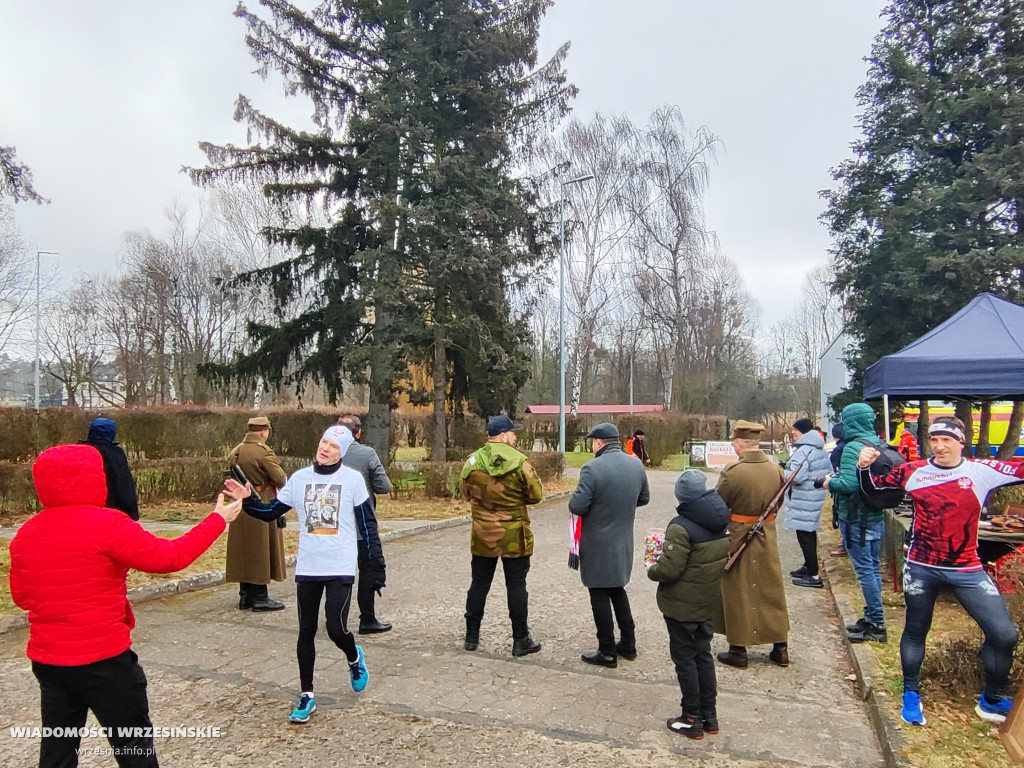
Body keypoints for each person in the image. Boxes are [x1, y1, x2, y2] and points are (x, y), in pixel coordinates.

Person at [9, 443, 242, 768]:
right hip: (106, 661)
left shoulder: (26, 533)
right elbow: (169, 557)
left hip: (50, 664)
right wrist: (218, 519)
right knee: (133, 747)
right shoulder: (108, 525)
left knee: (58, 750)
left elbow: (21, 596)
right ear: (95, 478)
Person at [858, 416, 1023, 727]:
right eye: (934, 440)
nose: (939, 446)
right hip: (922, 567)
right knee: (916, 630)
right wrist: (863, 467)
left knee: (1004, 634)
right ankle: (911, 694)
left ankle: (991, 699)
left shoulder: (981, 470)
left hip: (967, 568)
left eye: (947, 440)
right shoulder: (913, 470)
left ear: (961, 442)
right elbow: (872, 492)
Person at [224, 425, 382, 723]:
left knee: (336, 628)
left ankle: (354, 657)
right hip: (309, 566)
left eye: (333, 446)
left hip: (340, 566)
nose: (325, 449)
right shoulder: (299, 479)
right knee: (306, 631)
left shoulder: (352, 481)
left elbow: (367, 525)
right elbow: (269, 513)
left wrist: (374, 566)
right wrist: (247, 500)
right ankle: (307, 694)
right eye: (323, 442)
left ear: (343, 452)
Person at [647, 469, 730, 740]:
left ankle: (691, 718)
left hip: (682, 605)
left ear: (681, 496)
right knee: (703, 655)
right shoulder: (720, 519)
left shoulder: (681, 526)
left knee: (685, 660)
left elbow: (670, 570)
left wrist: (652, 568)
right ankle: (710, 715)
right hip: (707, 601)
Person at [460, 414, 544, 656]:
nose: (516, 436)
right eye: (513, 432)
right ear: (503, 435)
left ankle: (471, 637)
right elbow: (536, 495)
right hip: (513, 533)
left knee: (479, 584)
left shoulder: (472, 461)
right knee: (516, 586)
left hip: (483, 533)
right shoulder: (520, 462)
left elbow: (466, 492)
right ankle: (520, 640)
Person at [568, 422, 650, 668]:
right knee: (617, 590)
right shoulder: (635, 463)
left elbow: (577, 506)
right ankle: (628, 643)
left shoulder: (592, 468)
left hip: (597, 542)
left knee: (599, 595)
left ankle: (606, 651)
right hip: (623, 540)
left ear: (598, 443)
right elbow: (644, 498)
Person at [714, 420, 790, 668]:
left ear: (739, 443)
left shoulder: (732, 473)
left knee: (738, 588)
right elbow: (777, 506)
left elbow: (718, 506)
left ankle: (738, 648)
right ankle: (780, 647)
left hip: (738, 534)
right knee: (771, 587)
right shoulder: (775, 470)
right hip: (767, 533)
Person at [823, 402, 887, 643]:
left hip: (856, 518)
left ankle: (876, 623)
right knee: (872, 568)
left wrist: (829, 482)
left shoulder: (853, 448)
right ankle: (871, 616)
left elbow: (849, 484)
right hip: (875, 515)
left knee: (864, 572)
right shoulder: (878, 443)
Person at [337, 414, 394, 633]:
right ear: (358, 432)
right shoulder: (367, 454)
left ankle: (335, 617)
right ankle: (367, 619)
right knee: (366, 569)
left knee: (336, 573)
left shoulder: (326, 453)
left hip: (333, 525)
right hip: (361, 524)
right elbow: (384, 486)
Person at [226, 416, 288, 612]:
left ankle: (245, 596)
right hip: (260, 502)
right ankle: (260, 598)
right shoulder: (263, 451)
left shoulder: (235, 451)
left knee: (244, 550)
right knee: (260, 551)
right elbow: (279, 478)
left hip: (240, 504)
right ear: (264, 432)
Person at [784, 418, 831, 589]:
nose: (792, 432)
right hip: (814, 496)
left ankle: (813, 574)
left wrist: (783, 472)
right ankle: (808, 566)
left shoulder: (804, 450)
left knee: (805, 536)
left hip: (804, 498)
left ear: (802, 431)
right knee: (808, 533)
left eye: (794, 429)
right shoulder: (818, 448)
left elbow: (796, 477)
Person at [81, 417, 139, 520]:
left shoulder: (82, 451)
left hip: (86, 506)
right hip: (113, 506)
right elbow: (123, 482)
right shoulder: (115, 454)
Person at [828, 421, 848, 557]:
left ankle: (845, 545)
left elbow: (835, 471)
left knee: (842, 515)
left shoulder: (838, 451)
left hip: (841, 489)